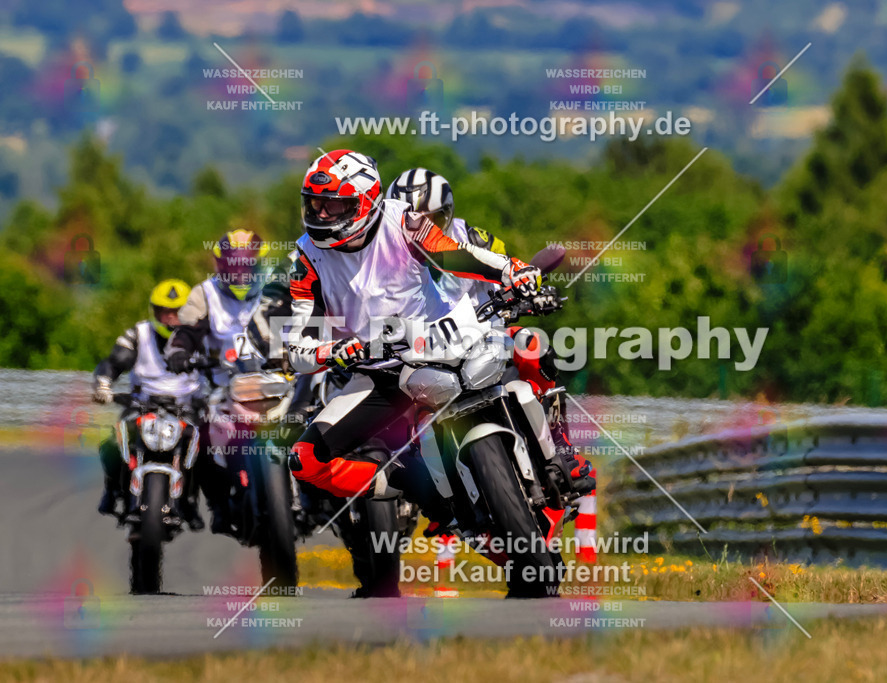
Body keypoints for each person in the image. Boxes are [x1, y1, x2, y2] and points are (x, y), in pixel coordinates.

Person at [285, 149, 545, 527]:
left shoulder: (403, 220)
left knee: (529, 347)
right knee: (305, 460)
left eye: (333, 206)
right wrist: (334, 351)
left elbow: (454, 255)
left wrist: (512, 270)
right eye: (315, 204)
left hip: (442, 339)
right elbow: (297, 345)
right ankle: (413, 483)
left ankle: (549, 454)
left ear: (367, 202)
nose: (321, 215)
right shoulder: (306, 257)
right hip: (379, 369)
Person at [387, 167, 598, 563]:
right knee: (396, 423)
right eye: (410, 218)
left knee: (532, 342)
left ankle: (562, 446)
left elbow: (507, 267)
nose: (420, 227)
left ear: (445, 215)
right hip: (427, 357)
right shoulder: (384, 262)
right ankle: (437, 501)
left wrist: (528, 287)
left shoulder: (473, 238)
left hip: (483, 338)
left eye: (428, 219)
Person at [165, 229, 269, 532]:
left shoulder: (274, 292)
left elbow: (299, 323)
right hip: (220, 384)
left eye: (246, 266)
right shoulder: (204, 294)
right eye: (233, 266)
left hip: (271, 379)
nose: (239, 273)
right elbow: (185, 332)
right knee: (203, 436)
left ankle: (311, 498)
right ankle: (219, 503)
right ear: (220, 265)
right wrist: (179, 352)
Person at [92, 279, 204, 527]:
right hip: (141, 406)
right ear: (154, 311)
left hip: (188, 409)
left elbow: (224, 367)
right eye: (164, 312)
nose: (170, 319)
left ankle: (193, 501)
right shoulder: (138, 333)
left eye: (177, 312)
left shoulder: (204, 337)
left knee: (212, 447)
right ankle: (112, 489)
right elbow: (114, 361)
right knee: (111, 441)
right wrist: (103, 384)